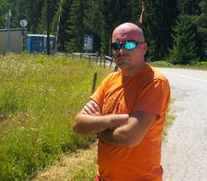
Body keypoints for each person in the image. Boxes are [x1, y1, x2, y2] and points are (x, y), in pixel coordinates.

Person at [72, 22, 171, 181]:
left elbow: (129, 137)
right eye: (116, 45)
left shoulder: (154, 82)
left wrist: (97, 126)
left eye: (130, 44)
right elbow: (78, 125)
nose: (121, 50)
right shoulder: (110, 80)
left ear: (143, 48)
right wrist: (112, 120)